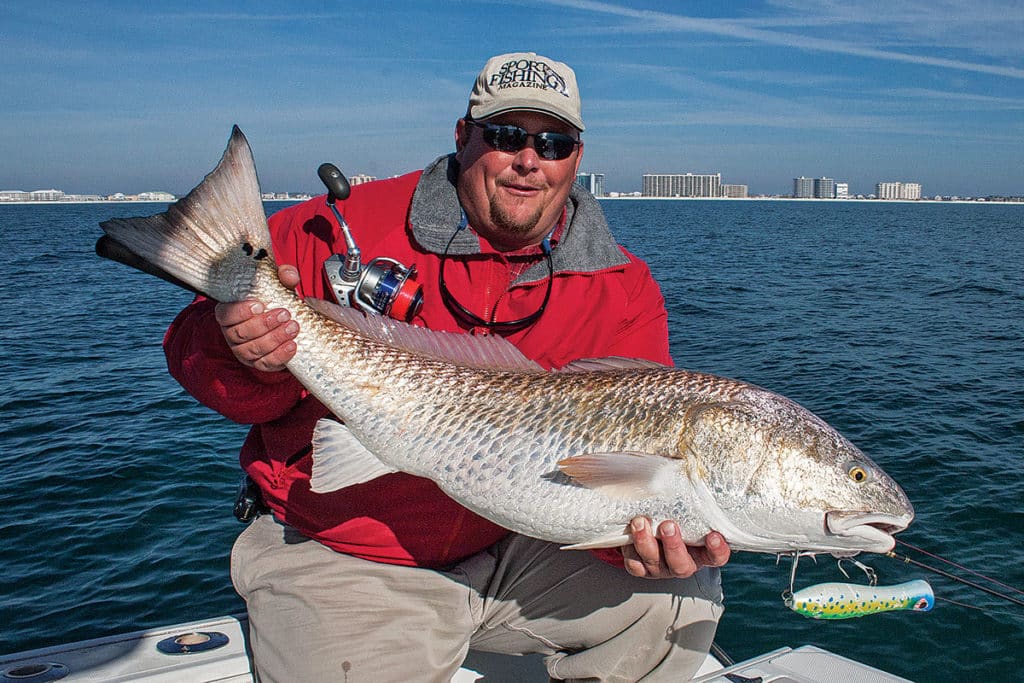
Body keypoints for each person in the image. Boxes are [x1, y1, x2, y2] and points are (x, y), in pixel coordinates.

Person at [165, 52, 730, 682]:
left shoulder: (622, 285)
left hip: (513, 543)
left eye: (554, 142)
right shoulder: (331, 227)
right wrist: (244, 352)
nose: (529, 160)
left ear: (577, 155)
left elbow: (618, 471)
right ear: (463, 137)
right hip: (347, 546)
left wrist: (635, 546)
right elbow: (195, 360)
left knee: (683, 599)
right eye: (507, 136)